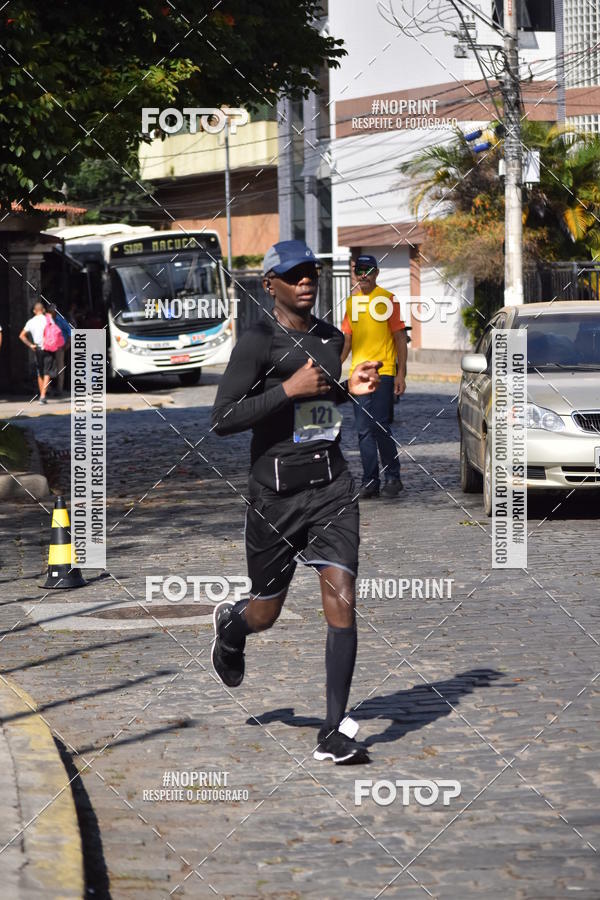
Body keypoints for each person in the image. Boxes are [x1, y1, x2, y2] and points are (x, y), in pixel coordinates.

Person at [210, 240, 382, 765]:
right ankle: (233, 627)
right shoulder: (257, 343)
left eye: (310, 271)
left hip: (331, 486)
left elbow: (323, 407)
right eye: (293, 274)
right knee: (266, 612)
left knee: (343, 594)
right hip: (275, 496)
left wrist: (350, 387)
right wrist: (288, 390)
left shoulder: (332, 338)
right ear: (270, 285)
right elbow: (222, 420)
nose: (306, 280)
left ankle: (332, 730)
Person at [341, 255, 408, 500]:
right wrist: (334, 365)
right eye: (359, 270)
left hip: (384, 371)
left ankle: (393, 477)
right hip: (358, 375)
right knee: (362, 430)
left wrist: (401, 373)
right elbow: (347, 340)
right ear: (355, 273)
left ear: (376, 273)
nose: (363, 275)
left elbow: (400, 338)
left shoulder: (388, 300)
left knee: (380, 425)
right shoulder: (350, 304)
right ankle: (370, 481)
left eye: (368, 270)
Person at [19, 302, 58, 404]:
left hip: (37, 349)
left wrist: (30, 345)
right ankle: (43, 396)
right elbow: (54, 332)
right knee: (47, 371)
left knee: (39, 372)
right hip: (48, 347)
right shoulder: (48, 319)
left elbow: (22, 335)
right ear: (43, 310)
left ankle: (42, 395)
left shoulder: (30, 322)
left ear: (34, 311)